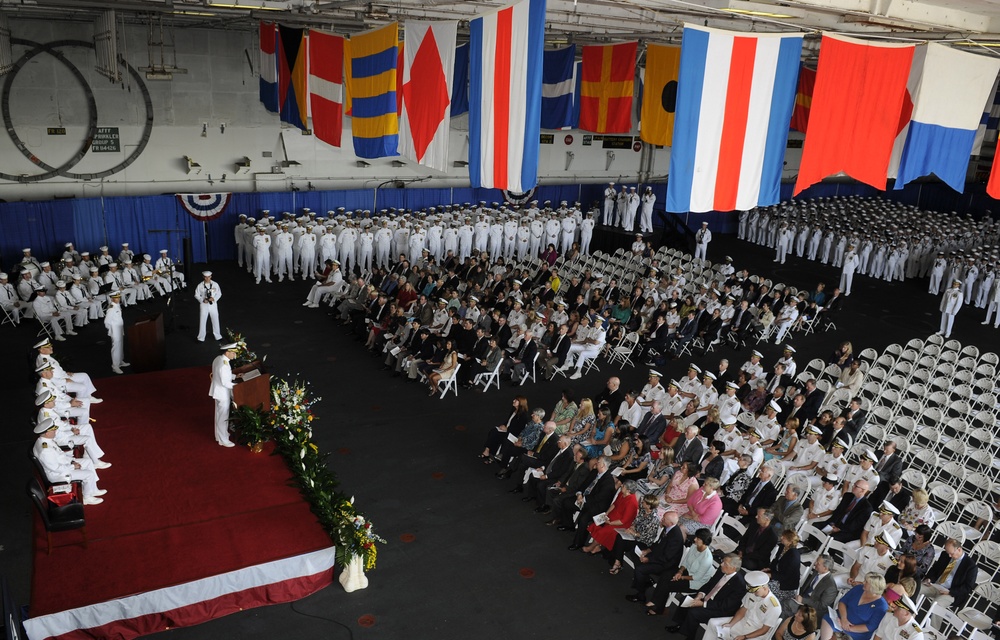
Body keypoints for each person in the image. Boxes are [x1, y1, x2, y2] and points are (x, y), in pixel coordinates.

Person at [665, 554, 747, 635]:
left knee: (694, 612)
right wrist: (700, 595)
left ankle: (689, 635)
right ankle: (680, 625)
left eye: (725, 563)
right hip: (708, 598)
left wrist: (703, 603)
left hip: (719, 609)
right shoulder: (722, 570)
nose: (721, 564)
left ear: (733, 568)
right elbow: (710, 584)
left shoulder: (739, 585)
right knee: (685, 600)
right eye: (722, 561)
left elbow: (726, 605)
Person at [33, 418, 107, 505]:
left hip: (63, 464)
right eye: (53, 430)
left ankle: (93, 490)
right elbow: (56, 468)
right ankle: (87, 497)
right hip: (58, 474)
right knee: (89, 474)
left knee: (88, 462)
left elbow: (60, 455)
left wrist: (72, 461)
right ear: (47, 433)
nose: (55, 431)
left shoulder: (44, 441)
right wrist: (73, 466)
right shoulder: (45, 450)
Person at [645, 527, 716, 615]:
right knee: (665, 575)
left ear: (704, 541)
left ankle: (658, 608)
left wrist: (681, 577)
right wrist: (680, 572)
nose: (694, 539)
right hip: (687, 572)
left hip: (694, 582)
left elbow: (696, 577)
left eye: (697, 538)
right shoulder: (694, 546)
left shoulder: (707, 559)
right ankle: (655, 601)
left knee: (668, 585)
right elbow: (685, 562)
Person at [702, 570, 782, 640]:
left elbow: (764, 630)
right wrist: (731, 624)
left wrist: (745, 636)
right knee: (713, 623)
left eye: (756, 591)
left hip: (755, 632)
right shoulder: (752, 593)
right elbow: (743, 609)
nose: (753, 593)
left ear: (765, 588)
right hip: (742, 622)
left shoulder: (774, 606)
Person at [624, 510, 685, 603]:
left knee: (640, 570)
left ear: (670, 523)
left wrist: (648, 559)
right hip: (659, 555)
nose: (662, 519)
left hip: (665, 564)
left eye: (664, 519)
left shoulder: (675, 537)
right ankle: (645, 580)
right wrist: (647, 551)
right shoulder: (667, 528)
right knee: (635, 553)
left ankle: (641, 594)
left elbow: (667, 557)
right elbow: (658, 543)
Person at [819, 573, 888, 640]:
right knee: (827, 620)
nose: (863, 582)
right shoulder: (858, 588)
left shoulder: (881, 606)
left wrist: (848, 628)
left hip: (857, 633)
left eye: (866, 582)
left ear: (873, 587)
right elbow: (842, 602)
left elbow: (870, 626)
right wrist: (844, 619)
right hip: (839, 619)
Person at [582, 478, 639, 555]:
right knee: (596, 524)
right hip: (612, 517)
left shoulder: (632, 503)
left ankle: (591, 547)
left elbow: (624, 521)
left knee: (602, 532)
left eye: (623, 486)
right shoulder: (622, 494)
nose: (621, 486)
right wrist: (606, 513)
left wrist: (610, 523)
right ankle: (597, 545)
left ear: (628, 490)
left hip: (620, 524)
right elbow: (614, 504)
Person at [922, 537, 979, 613]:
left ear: (959, 549)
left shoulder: (971, 566)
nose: (949, 556)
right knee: (915, 588)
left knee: (936, 606)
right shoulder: (945, 555)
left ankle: (934, 625)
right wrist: (929, 578)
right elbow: (935, 568)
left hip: (951, 592)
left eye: (951, 553)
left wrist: (950, 592)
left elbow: (967, 587)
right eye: (948, 552)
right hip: (935, 585)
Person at [209, 343, 241, 448]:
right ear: (227, 352)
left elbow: (224, 375)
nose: (234, 355)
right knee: (223, 417)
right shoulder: (223, 365)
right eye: (233, 353)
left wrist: (235, 376)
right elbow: (225, 382)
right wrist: (238, 386)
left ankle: (219, 436)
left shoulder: (219, 359)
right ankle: (223, 440)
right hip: (223, 394)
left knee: (219, 415)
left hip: (218, 392)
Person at [103, 291, 129, 374]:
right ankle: (115, 366)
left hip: (120, 329)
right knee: (116, 348)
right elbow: (107, 322)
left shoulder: (116, 306)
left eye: (118, 297)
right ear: (112, 298)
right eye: (116, 298)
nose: (118, 299)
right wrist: (112, 330)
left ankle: (120, 361)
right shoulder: (111, 308)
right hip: (115, 331)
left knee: (120, 346)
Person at [194, 271, 223, 342]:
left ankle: (218, 336)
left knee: (215, 319)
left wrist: (214, 298)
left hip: (213, 304)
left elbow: (219, 293)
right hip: (204, 305)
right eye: (205, 277)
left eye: (208, 277)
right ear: (203, 277)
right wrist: (202, 300)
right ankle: (201, 337)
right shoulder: (200, 285)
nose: (207, 278)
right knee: (202, 320)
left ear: (211, 276)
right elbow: (196, 295)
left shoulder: (215, 284)